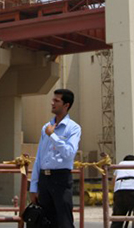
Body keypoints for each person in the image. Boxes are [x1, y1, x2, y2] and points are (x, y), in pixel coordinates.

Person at [29, 89, 81, 228]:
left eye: (57, 101)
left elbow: (69, 153)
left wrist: (53, 136)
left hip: (61, 180)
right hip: (44, 179)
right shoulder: (46, 127)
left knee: (64, 221)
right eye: (53, 100)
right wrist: (34, 186)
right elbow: (39, 157)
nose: (52, 103)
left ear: (66, 105)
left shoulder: (73, 128)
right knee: (44, 222)